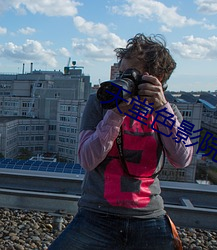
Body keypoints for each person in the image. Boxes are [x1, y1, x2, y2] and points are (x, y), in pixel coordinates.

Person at [48, 33, 193, 250]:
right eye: (122, 72)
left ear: (157, 78)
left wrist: (162, 109)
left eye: (132, 74)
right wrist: (115, 114)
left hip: (149, 215)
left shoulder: (171, 113)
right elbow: (87, 160)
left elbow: (183, 159)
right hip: (96, 213)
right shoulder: (99, 103)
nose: (124, 79)